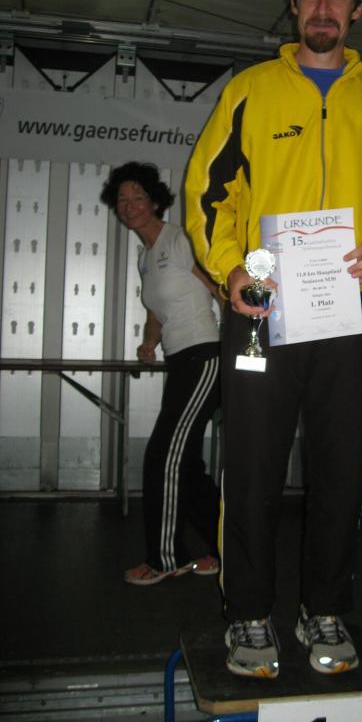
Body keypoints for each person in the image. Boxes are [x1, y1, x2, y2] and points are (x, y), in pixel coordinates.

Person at [185, 0, 362, 677]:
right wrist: (230, 268)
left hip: (349, 311)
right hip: (261, 305)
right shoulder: (251, 91)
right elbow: (209, 192)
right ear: (293, 6)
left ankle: (324, 609)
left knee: (341, 469)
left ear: (357, 9)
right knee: (252, 468)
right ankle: (249, 614)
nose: (325, 6)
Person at [101, 162, 222, 586]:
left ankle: (166, 557)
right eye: (122, 199)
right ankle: (227, 547)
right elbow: (156, 310)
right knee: (186, 464)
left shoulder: (180, 239)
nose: (129, 205)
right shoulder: (146, 257)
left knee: (162, 456)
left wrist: (247, 344)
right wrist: (149, 342)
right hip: (179, 359)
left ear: (155, 201)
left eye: (138, 197)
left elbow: (220, 287)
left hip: (206, 355)